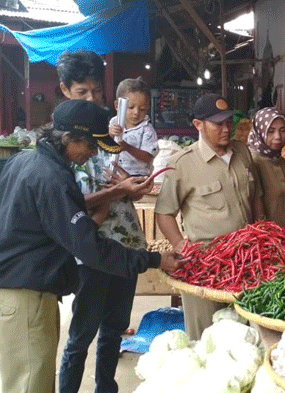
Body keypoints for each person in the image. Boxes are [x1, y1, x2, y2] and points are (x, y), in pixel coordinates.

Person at [0, 100, 184, 393]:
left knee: (27, 379)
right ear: (68, 139)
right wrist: (153, 260)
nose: (93, 153)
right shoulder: (52, 178)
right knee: (29, 383)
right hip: (27, 299)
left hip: (19, 292)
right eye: (90, 146)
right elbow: (92, 249)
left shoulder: (25, 161)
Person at [55, 52, 156, 393]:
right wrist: (115, 193)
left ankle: (105, 388)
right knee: (80, 337)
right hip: (91, 253)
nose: (92, 100)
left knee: (114, 329)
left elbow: (124, 181)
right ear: (65, 91)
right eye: (82, 92)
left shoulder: (111, 130)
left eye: (96, 92)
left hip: (125, 245)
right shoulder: (60, 142)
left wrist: (132, 187)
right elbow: (64, 205)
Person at [155, 94, 264, 340]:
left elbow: (255, 196)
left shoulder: (243, 153)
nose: (226, 128)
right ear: (198, 125)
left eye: (229, 121)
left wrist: (261, 232)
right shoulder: (181, 164)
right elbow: (164, 213)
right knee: (204, 339)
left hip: (246, 262)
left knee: (243, 337)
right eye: (218, 124)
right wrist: (182, 246)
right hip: (206, 264)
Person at [248, 107, 285, 231]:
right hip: (269, 241)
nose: (278, 136)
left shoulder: (279, 159)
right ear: (259, 131)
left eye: (282, 130)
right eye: (270, 131)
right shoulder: (253, 162)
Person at [107, 77, 159, 176]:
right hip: (113, 173)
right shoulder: (114, 122)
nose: (136, 113)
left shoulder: (147, 130)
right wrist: (110, 133)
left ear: (148, 108)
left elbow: (148, 157)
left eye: (142, 109)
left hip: (137, 176)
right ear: (117, 105)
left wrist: (127, 148)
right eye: (130, 107)